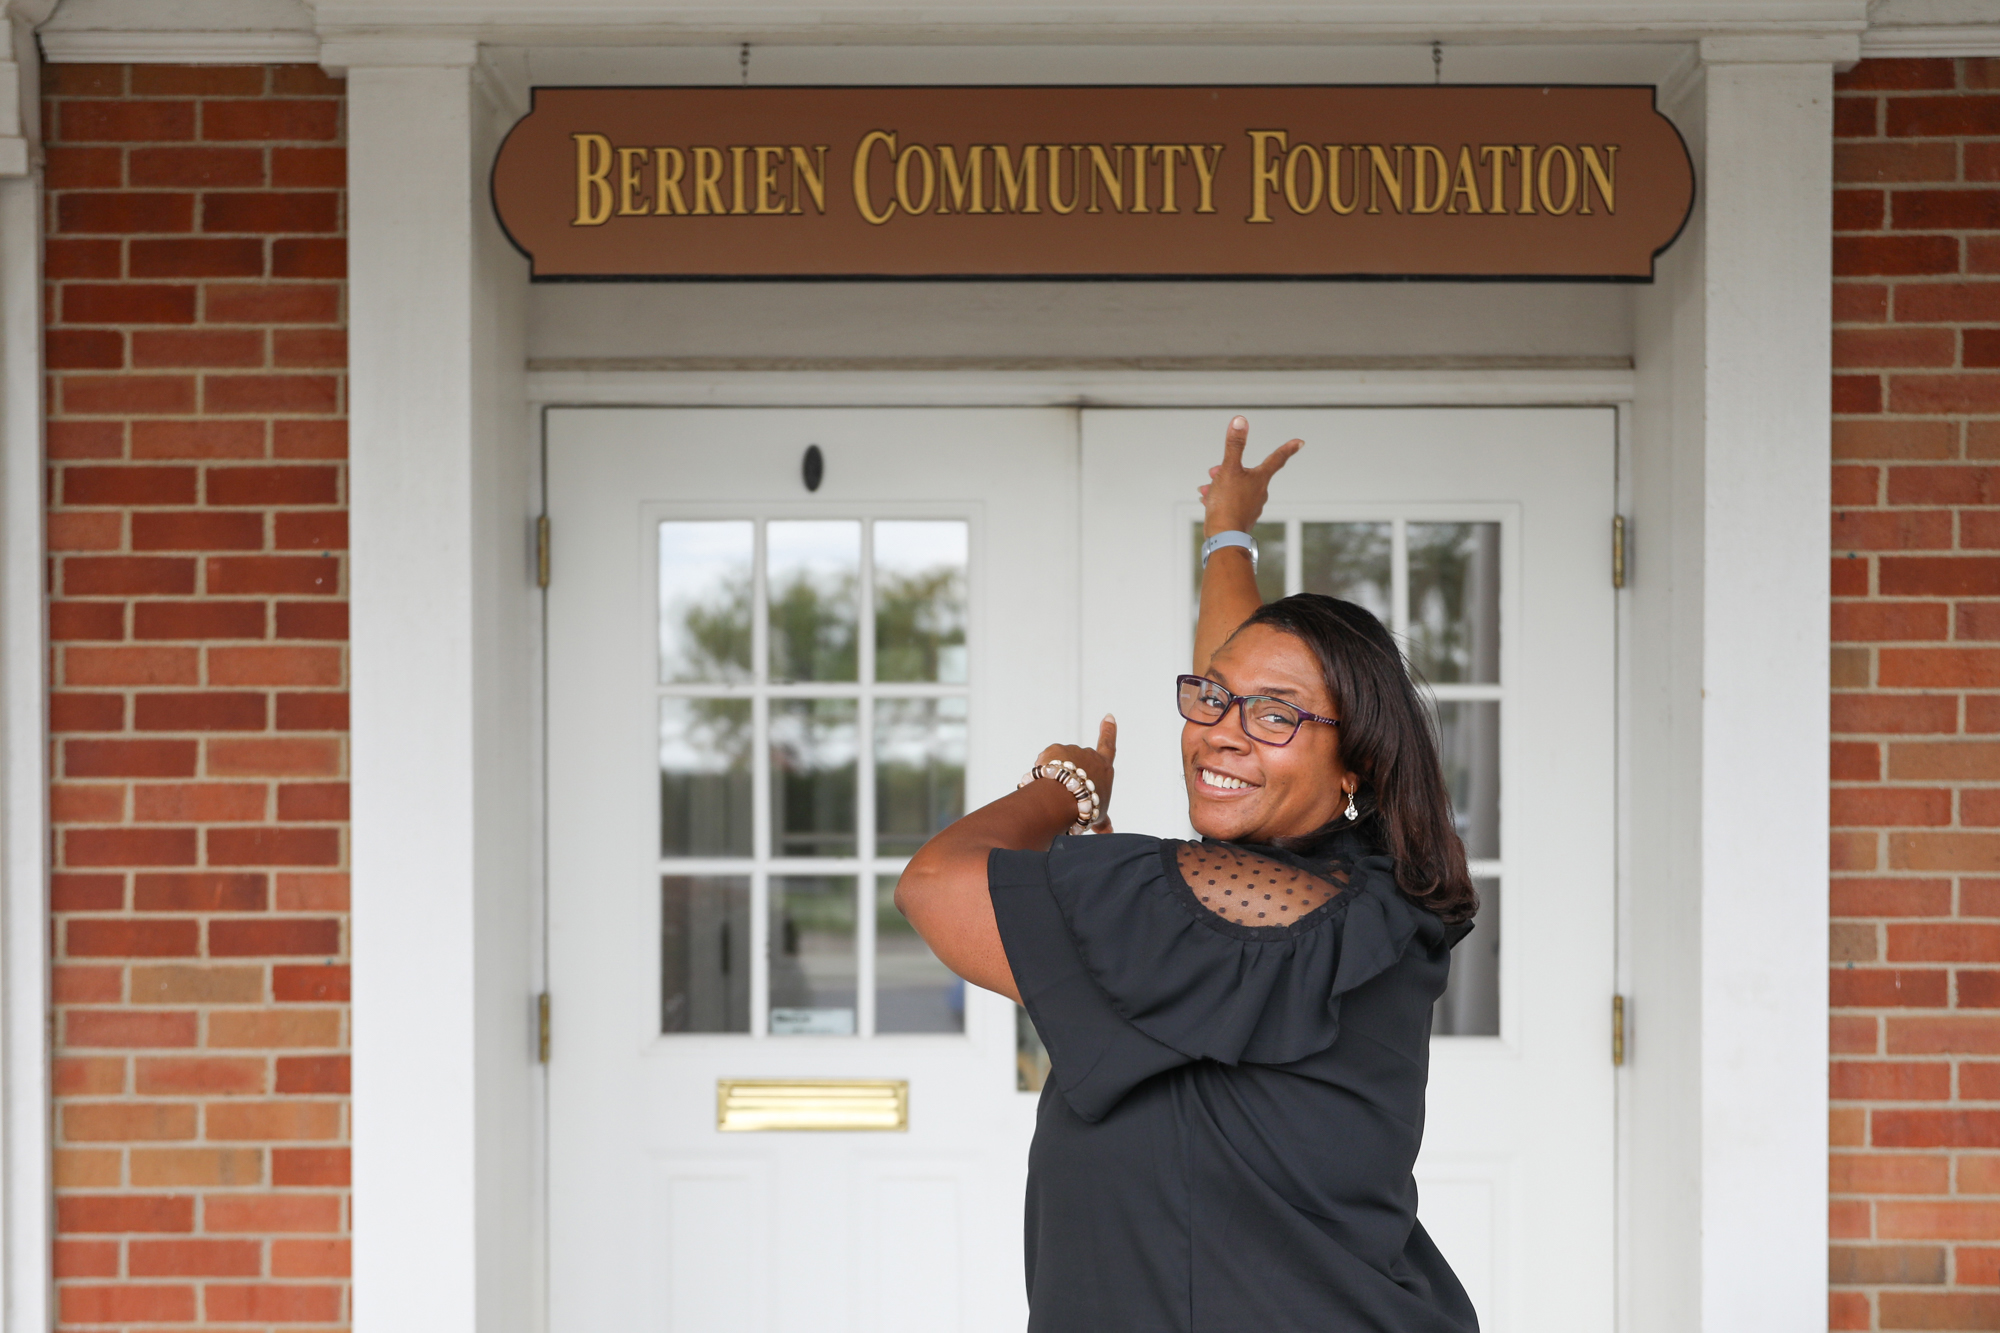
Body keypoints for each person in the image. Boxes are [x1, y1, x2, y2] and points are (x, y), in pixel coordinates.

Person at [896, 415, 1482, 1332]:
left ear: (1355, 764)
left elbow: (934, 885)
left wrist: (1063, 787)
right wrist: (1230, 534)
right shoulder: (1356, 885)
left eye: (1275, 715)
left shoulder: (1235, 910)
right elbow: (1250, 683)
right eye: (1209, 695)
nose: (1221, 728)